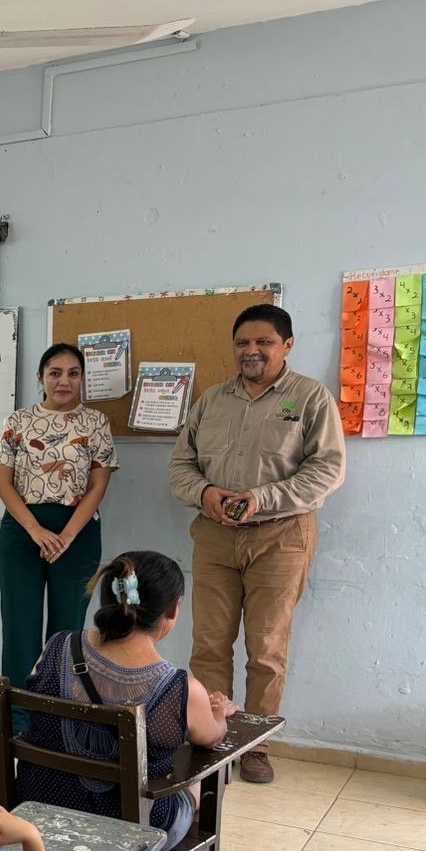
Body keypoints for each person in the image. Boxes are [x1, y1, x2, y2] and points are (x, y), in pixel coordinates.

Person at [18, 551, 236, 851]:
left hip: (42, 810)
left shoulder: (56, 648)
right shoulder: (180, 688)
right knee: (205, 786)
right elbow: (212, 738)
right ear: (173, 611)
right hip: (127, 829)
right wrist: (221, 711)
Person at [169, 304, 345, 784]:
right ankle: (210, 739)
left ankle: (255, 745)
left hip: (282, 537)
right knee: (208, 646)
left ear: (286, 346)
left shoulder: (310, 398)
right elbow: (181, 467)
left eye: (264, 342)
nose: (252, 350)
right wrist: (205, 493)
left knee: (266, 649)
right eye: (243, 342)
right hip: (215, 536)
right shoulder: (210, 400)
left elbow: (328, 470)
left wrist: (260, 498)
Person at [0, 342, 119, 727]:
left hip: (76, 534)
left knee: (66, 630)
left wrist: (64, 535)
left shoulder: (95, 423)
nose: (64, 381)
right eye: (55, 373)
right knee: (21, 626)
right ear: (40, 378)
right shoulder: (17, 421)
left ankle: (58, 719)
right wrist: (36, 531)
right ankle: (18, 720)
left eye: (73, 373)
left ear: (82, 379)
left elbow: (98, 486)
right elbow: (3, 484)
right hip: (22, 532)